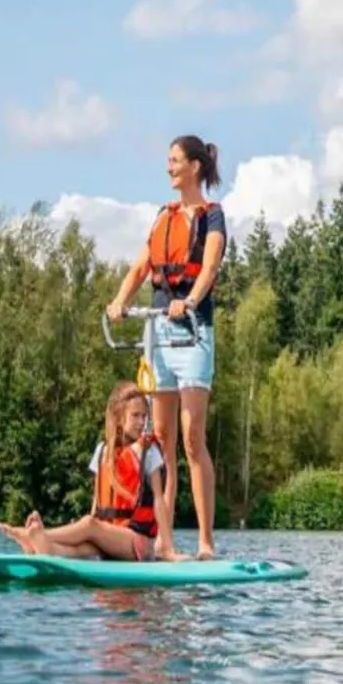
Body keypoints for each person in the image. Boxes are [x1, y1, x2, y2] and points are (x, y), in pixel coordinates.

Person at [105, 135, 226, 560]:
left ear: (195, 166)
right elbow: (141, 266)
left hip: (192, 333)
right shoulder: (163, 217)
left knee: (193, 440)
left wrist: (190, 300)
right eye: (168, 160)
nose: (168, 167)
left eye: (175, 160)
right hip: (159, 334)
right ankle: (166, 544)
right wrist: (121, 298)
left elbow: (209, 266)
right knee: (162, 442)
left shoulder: (212, 217)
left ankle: (206, 543)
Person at [0, 380, 180, 561]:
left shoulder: (149, 452)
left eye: (144, 416)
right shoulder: (103, 451)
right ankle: (41, 547)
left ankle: (37, 535)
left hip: (139, 543)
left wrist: (167, 549)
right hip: (109, 536)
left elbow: (158, 499)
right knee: (78, 549)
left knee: (89, 524)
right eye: (135, 416)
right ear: (118, 417)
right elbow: (97, 501)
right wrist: (88, 536)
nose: (141, 422)